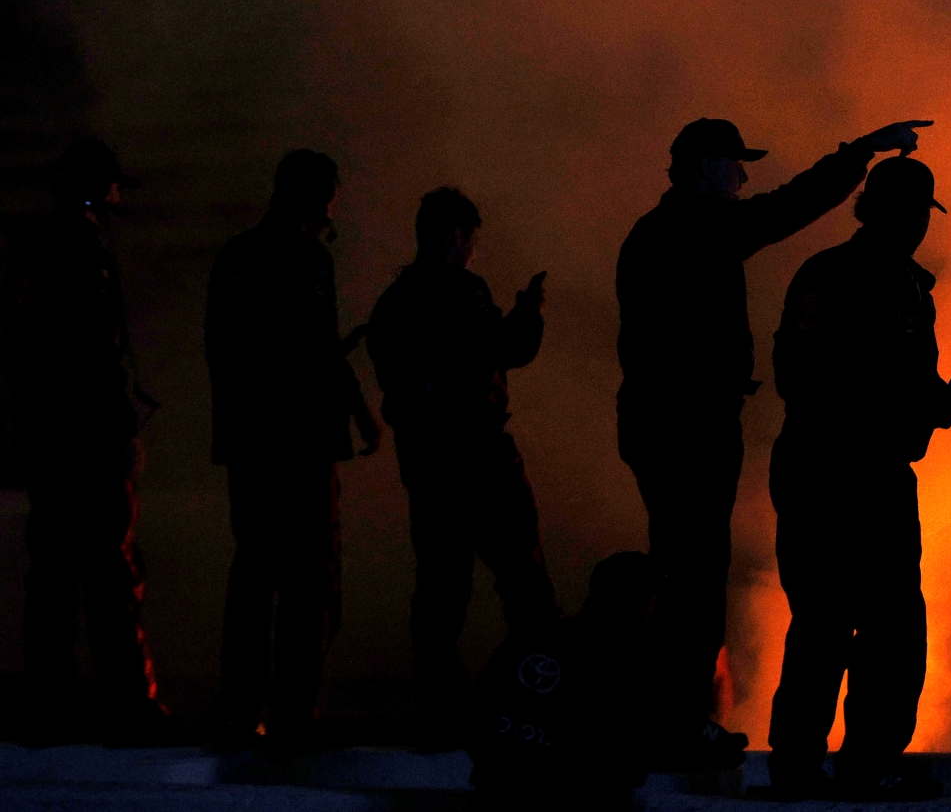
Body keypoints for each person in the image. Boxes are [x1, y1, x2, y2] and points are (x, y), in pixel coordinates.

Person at [613, 115, 932, 768]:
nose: (743, 178)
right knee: (694, 572)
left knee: (687, 566)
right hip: (688, 422)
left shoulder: (658, 232)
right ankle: (677, 722)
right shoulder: (695, 229)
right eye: (735, 165)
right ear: (705, 165)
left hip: (672, 417)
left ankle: (673, 715)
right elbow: (786, 208)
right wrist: (859, 152)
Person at [763, 157, 951, 800]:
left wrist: (939, 405)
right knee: (849, 622)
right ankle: (831, 764)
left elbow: (901, 385)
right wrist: (856, 428)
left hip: (866, 469)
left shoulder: (899, 284)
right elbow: (800, 372)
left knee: (865, 624)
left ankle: (834, 763)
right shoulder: (839, 278)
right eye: (912, 214)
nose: (916, 228)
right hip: (836, 471)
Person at [0, 140, 176, 745]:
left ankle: (47, 717)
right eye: (112, 185)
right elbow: (96, 354)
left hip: (47, 442)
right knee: (111, 577)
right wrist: (123, 430)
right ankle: (135, 712)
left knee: (50, 582)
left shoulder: (34, 249)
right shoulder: (85, 248)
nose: (119, 195)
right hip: (88, 444)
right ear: (97, 188)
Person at [205, 149, 382, 751]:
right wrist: (356, 415)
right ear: (309, 196)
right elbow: (316, 352)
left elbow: (227, 353)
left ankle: (243, 710)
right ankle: (290, 714)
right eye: (329, 193)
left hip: (257, 444)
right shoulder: (309, 260)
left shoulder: (237, 256)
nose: (334, 205)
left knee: (257, 574)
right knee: (307, 583)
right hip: (299, 446)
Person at [367, 186, 557, 746]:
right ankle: (539, 704)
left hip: (427, 465)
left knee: (441, 591)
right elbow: (507, 349)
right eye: (471, 239)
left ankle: (440, 715)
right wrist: (529, 312)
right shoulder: (463, 292)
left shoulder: (393, 302)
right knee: (526, 586)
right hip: (479, 459)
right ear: (455, 235)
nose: (473, 251)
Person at [470, 551, 658, 810]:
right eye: (652, 601)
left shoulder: (530, 640)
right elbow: (627, 767)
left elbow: (477, 717)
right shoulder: (616, 672)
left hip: (494, 795)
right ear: (637, 605)